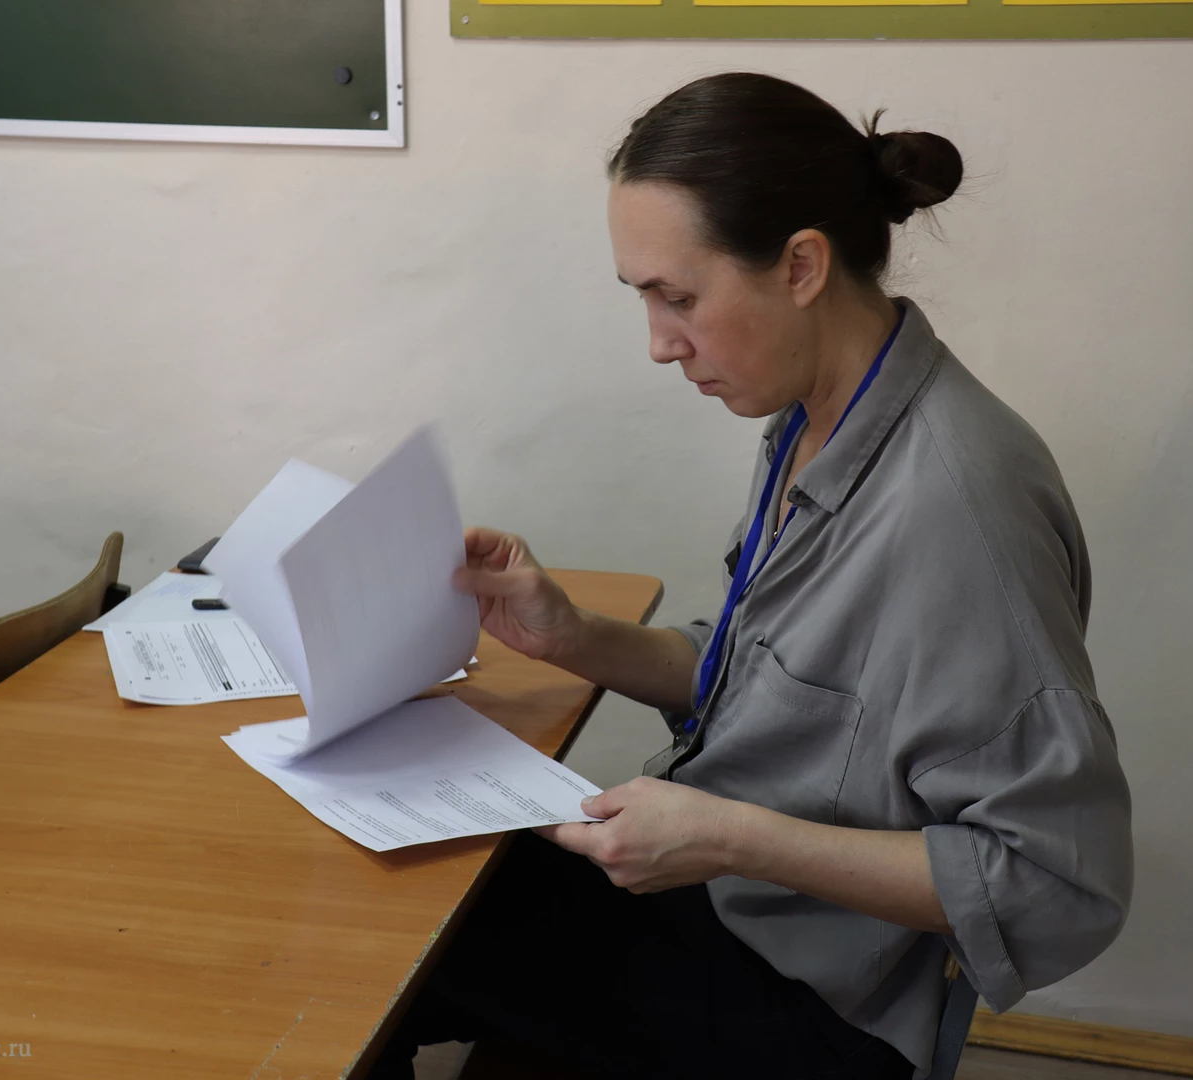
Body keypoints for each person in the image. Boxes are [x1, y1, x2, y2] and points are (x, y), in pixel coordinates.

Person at [371, 72, 1133, 1080]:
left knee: (390, 930)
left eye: (679, 297)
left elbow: (1056, 883)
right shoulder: (818, 420)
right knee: (407, 889)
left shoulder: (955, 510)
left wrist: (730, 838)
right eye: (645, 298)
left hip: (813, 1002)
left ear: (802, 265)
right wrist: (572, 635)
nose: (660, 344)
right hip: (737, 909)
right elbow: (773, 687)